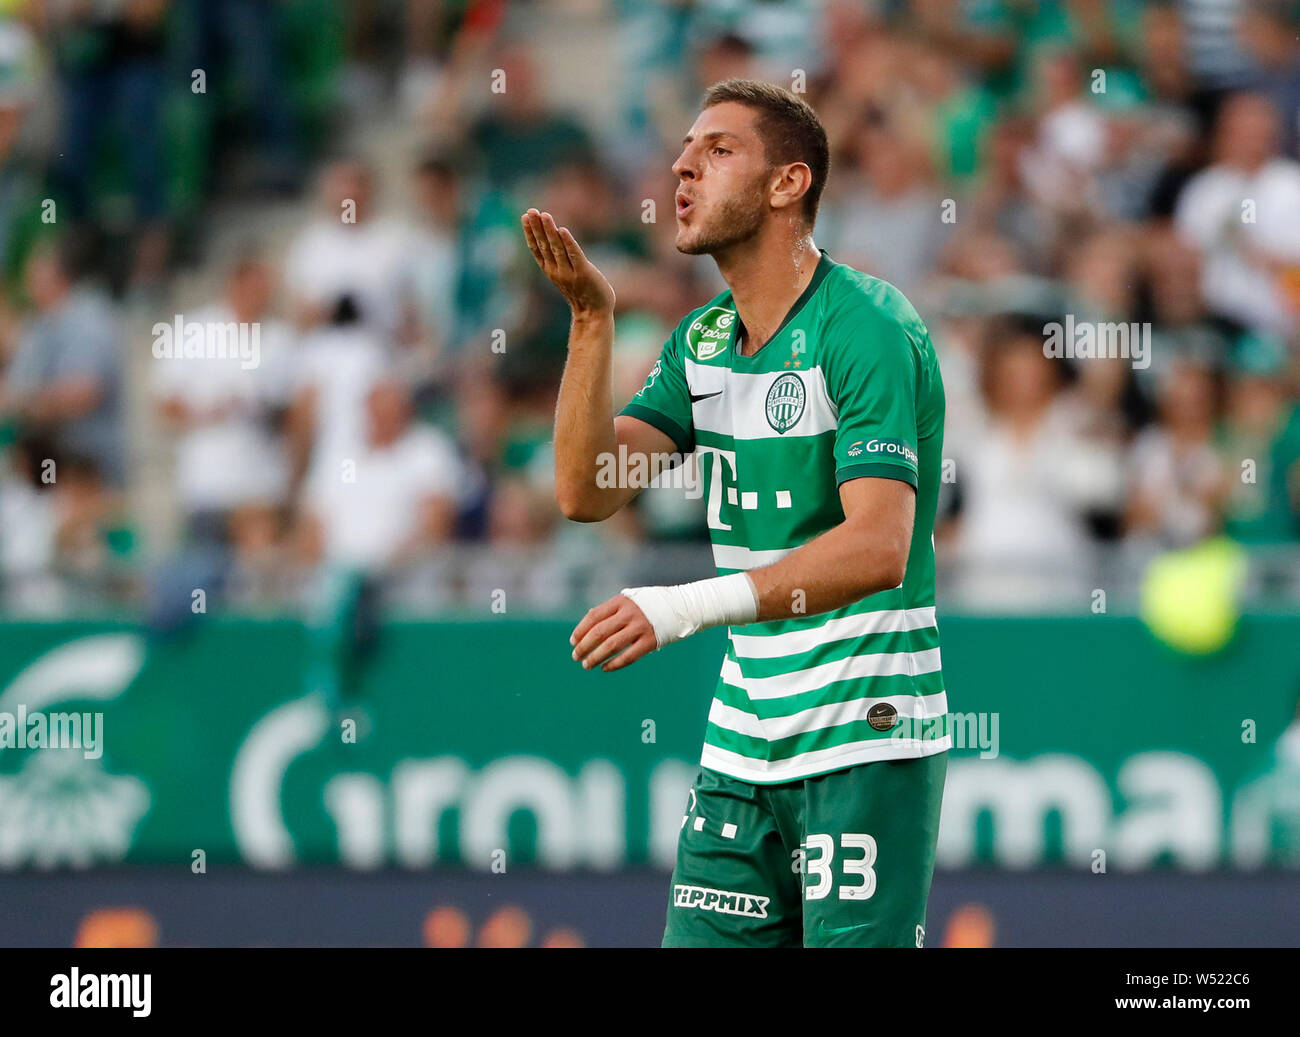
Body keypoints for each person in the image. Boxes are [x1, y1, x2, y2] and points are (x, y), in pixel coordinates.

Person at [523, 79, 947, 948]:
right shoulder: (703, 341)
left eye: (718, 150)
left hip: (861, 733)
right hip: (741, 744)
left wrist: (681, 605)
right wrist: (591, 322)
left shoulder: (863, 324)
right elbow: (586, 488)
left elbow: (878, 547)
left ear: (788, 185)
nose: (683, 165)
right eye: (685, 150)